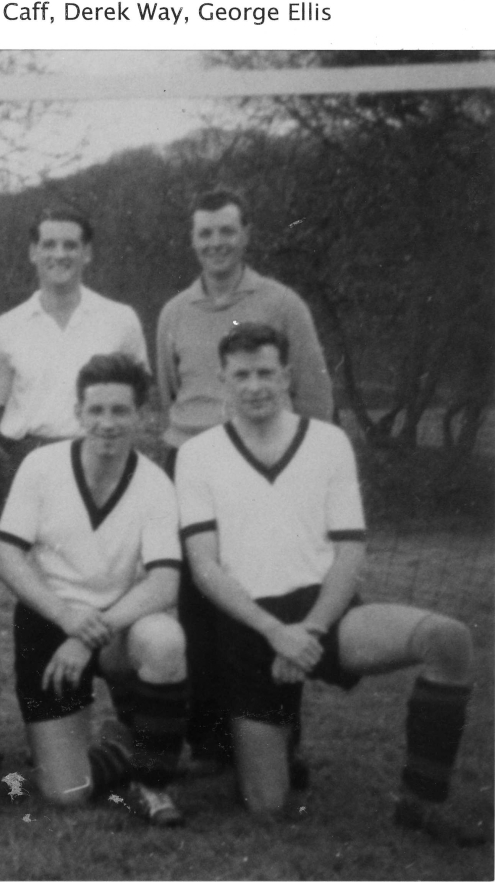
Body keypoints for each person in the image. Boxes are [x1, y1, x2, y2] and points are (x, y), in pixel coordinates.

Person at [176, 323, 482, 844]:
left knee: (448, 639)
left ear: (286, 376)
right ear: (223, 381)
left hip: (326, 613)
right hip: (250, 627)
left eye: (265, 373)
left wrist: (312, 629)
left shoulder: (328, 442)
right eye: (241, 375)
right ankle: (275, 737)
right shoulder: (197, 454)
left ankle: (421, 801)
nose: (255, 386)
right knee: (267, 806)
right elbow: (204, 566)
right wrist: (276, 632)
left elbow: (349, 551)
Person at [156, 187, 334, 774]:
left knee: (269, 593)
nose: (216, 243)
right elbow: (170, 392)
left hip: (263, 468)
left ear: (246, 234)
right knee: (201, 603)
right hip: (191, 464)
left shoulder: (282, 303)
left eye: (226, 231)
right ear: (192, 240)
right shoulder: (175, 311)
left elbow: (315, 397)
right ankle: (211, 742)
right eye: (205, 233)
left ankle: (279, 736)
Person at [0, 354, 189, 826]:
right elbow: (7, 556)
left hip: (116, 627)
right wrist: (66, 618)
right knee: (67, 793)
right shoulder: (41, 466)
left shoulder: (156, 484)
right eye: (96, 410)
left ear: (140, 415)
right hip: (49, 622)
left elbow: (165, 583)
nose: (107, 423)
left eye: (120, 410)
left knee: (164, 640)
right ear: (78, 412)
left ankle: (152, 781)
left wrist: (86, 636)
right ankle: (120, 746)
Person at [0, 210, 149, 467]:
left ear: (87, 253)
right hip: (27, 457)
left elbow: (139, 394)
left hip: (101, 455)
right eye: (49, 245)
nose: (60, 254)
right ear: (33, 252)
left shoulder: (121, 319)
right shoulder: (4, 328)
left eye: (70, 245)